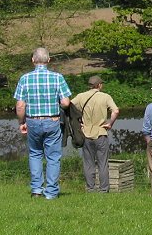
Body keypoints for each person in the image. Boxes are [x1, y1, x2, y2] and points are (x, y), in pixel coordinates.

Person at [14, 47, 72, 200]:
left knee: (35, 154)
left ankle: (36, 190)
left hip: (33, 121)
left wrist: (22, 122)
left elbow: (20, 106)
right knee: (53, 157)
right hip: (52, 120)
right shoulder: (57, 77)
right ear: (48, 60)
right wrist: (58, 105)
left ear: (33, 60)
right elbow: (66, 102)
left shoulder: (24, 79)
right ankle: (51, 192)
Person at [71, 75, 119, 193]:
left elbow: (69, 106)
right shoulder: (105, 97)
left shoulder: (81, 96)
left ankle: (90, 188)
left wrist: (78, 122)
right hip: (101, 132)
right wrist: (110, 123)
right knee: (102, 163)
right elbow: (116, 110)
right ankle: (103, 189)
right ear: (99, 85)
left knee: (88, 163)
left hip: (86, 133)